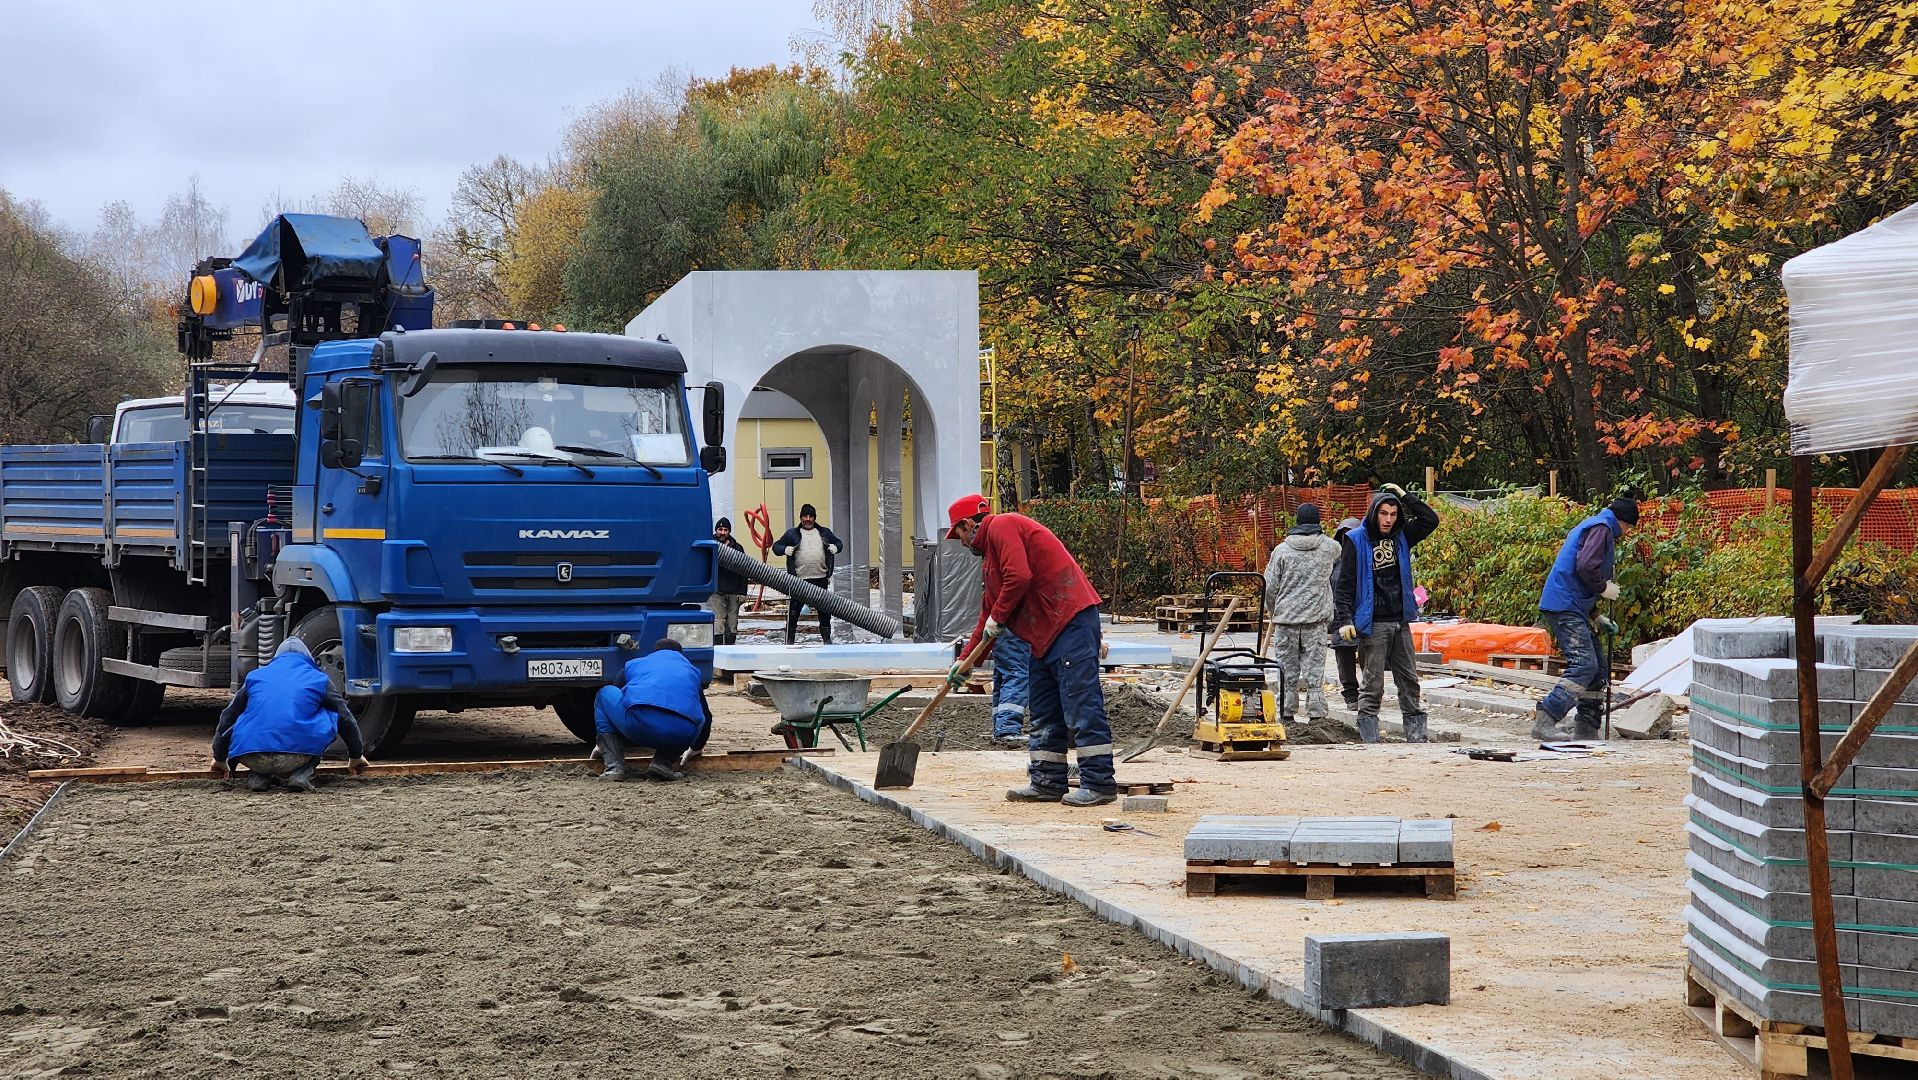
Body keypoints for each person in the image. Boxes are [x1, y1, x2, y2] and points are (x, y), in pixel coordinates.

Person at [946, 493, 1118, 807]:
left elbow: (1019, 577)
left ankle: (1098, 782)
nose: (960, 541)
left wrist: (999, 617)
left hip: (1069, 620)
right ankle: (1047, 781)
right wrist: (966, 661)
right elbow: (987, 614)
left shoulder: (1003, 526)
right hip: (1045, 634)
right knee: (1043, 707)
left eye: (957, 532)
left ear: (968, 524)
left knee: (1080, 703)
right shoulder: (990, 563)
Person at [1333, 484, 1441, 743]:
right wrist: (1345, 619)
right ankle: (1370, 738)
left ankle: (1416, 735)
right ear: (1374, 513)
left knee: (1409, 680)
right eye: (1384, 514)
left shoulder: (1402, 536)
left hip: (1400, 620)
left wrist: (1405, 496)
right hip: (1374, 623)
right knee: (1373, 683)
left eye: (1393, 514)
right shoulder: (1356, 540)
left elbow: (1430, 520)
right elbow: (1344, 584)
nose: (1388, 519)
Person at [1531, 496, 1638, 742]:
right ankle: (1546, 718)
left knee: (1598, 669)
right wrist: (1603, 588)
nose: (1627, 532)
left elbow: (1577, 577)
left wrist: (1597, 616)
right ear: (1623, 522)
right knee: (1584, 664)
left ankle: (1587, 728)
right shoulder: (1601, 529)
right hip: (1564, 604)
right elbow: (1586, 567)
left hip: (1570, 603)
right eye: (1629, 527)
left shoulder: (1595, 526)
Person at [208, 639, 368, 792]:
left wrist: (220, 757)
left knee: (252, 718)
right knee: (331, 714)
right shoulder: (319, 679)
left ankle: (259, 777)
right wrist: (356, 755)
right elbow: (345, 717)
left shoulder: (255, 676)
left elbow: (227, 717)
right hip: (298, 756)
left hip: (251, 756)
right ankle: (301, 775)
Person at [592, 639, 714, 781]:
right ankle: (663, 763)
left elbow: (615, 705)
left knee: (605, 693)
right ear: (681, 655)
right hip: (681, 735)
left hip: (639, 727)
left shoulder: (636, 664)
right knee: (694, 717)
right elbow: (706, 717)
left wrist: (603, 744)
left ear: (654, 652)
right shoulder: (692, 672)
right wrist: (696, 748)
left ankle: (614, 768)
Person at [1263, 503, 1341, 724]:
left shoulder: (1281, 551)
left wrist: (1273, 609)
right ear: (1318, 522)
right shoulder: (1330, 548)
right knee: (1314, 670)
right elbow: (1339, 554)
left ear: (1296, 522)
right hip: (1316, 620)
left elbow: (1269, 586)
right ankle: (1316, 715)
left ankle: (1286, 713)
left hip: (1286, 619)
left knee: (1286, 669)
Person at [772, 504, 844, 644]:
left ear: (815, 518)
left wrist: (836, 547)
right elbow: (776, 546)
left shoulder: (824, 532)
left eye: (810, 516)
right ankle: (790, 639)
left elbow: (838, 542)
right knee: (793, 612)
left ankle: (826, 638)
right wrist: (785, 549)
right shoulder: (792, 534)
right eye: (805, 516)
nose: (808, 519)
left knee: (824, 612)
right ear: (801, 518)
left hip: (820, 579)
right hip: (799, 581)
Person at [1329, 516, 1364, 709]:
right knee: (1344, 653)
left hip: (1365, 614)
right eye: (1343, 535)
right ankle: (1351, 695)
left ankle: (1368, 694)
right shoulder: (1333, 561)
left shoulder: (1367, 558)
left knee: (1370, 656)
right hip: (1341, 615)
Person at [988, 630, 1032, 748]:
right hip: (1016, 630)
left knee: (1004, 674)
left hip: (1002, 632)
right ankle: (1007, 727)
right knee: (1017, 674)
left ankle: (1000, 725)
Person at [709, 517, 748, 646]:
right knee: (719, 621)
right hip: (716, 591)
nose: (723, 532)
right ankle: (719, 650)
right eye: (720, 529)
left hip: (733, 591)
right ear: (716, 530)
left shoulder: (737, 548)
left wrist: (743, 592)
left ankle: (731, 649)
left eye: (726, 530)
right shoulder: (709, 546)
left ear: (729, 532)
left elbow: (745, 571)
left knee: (732, 623)